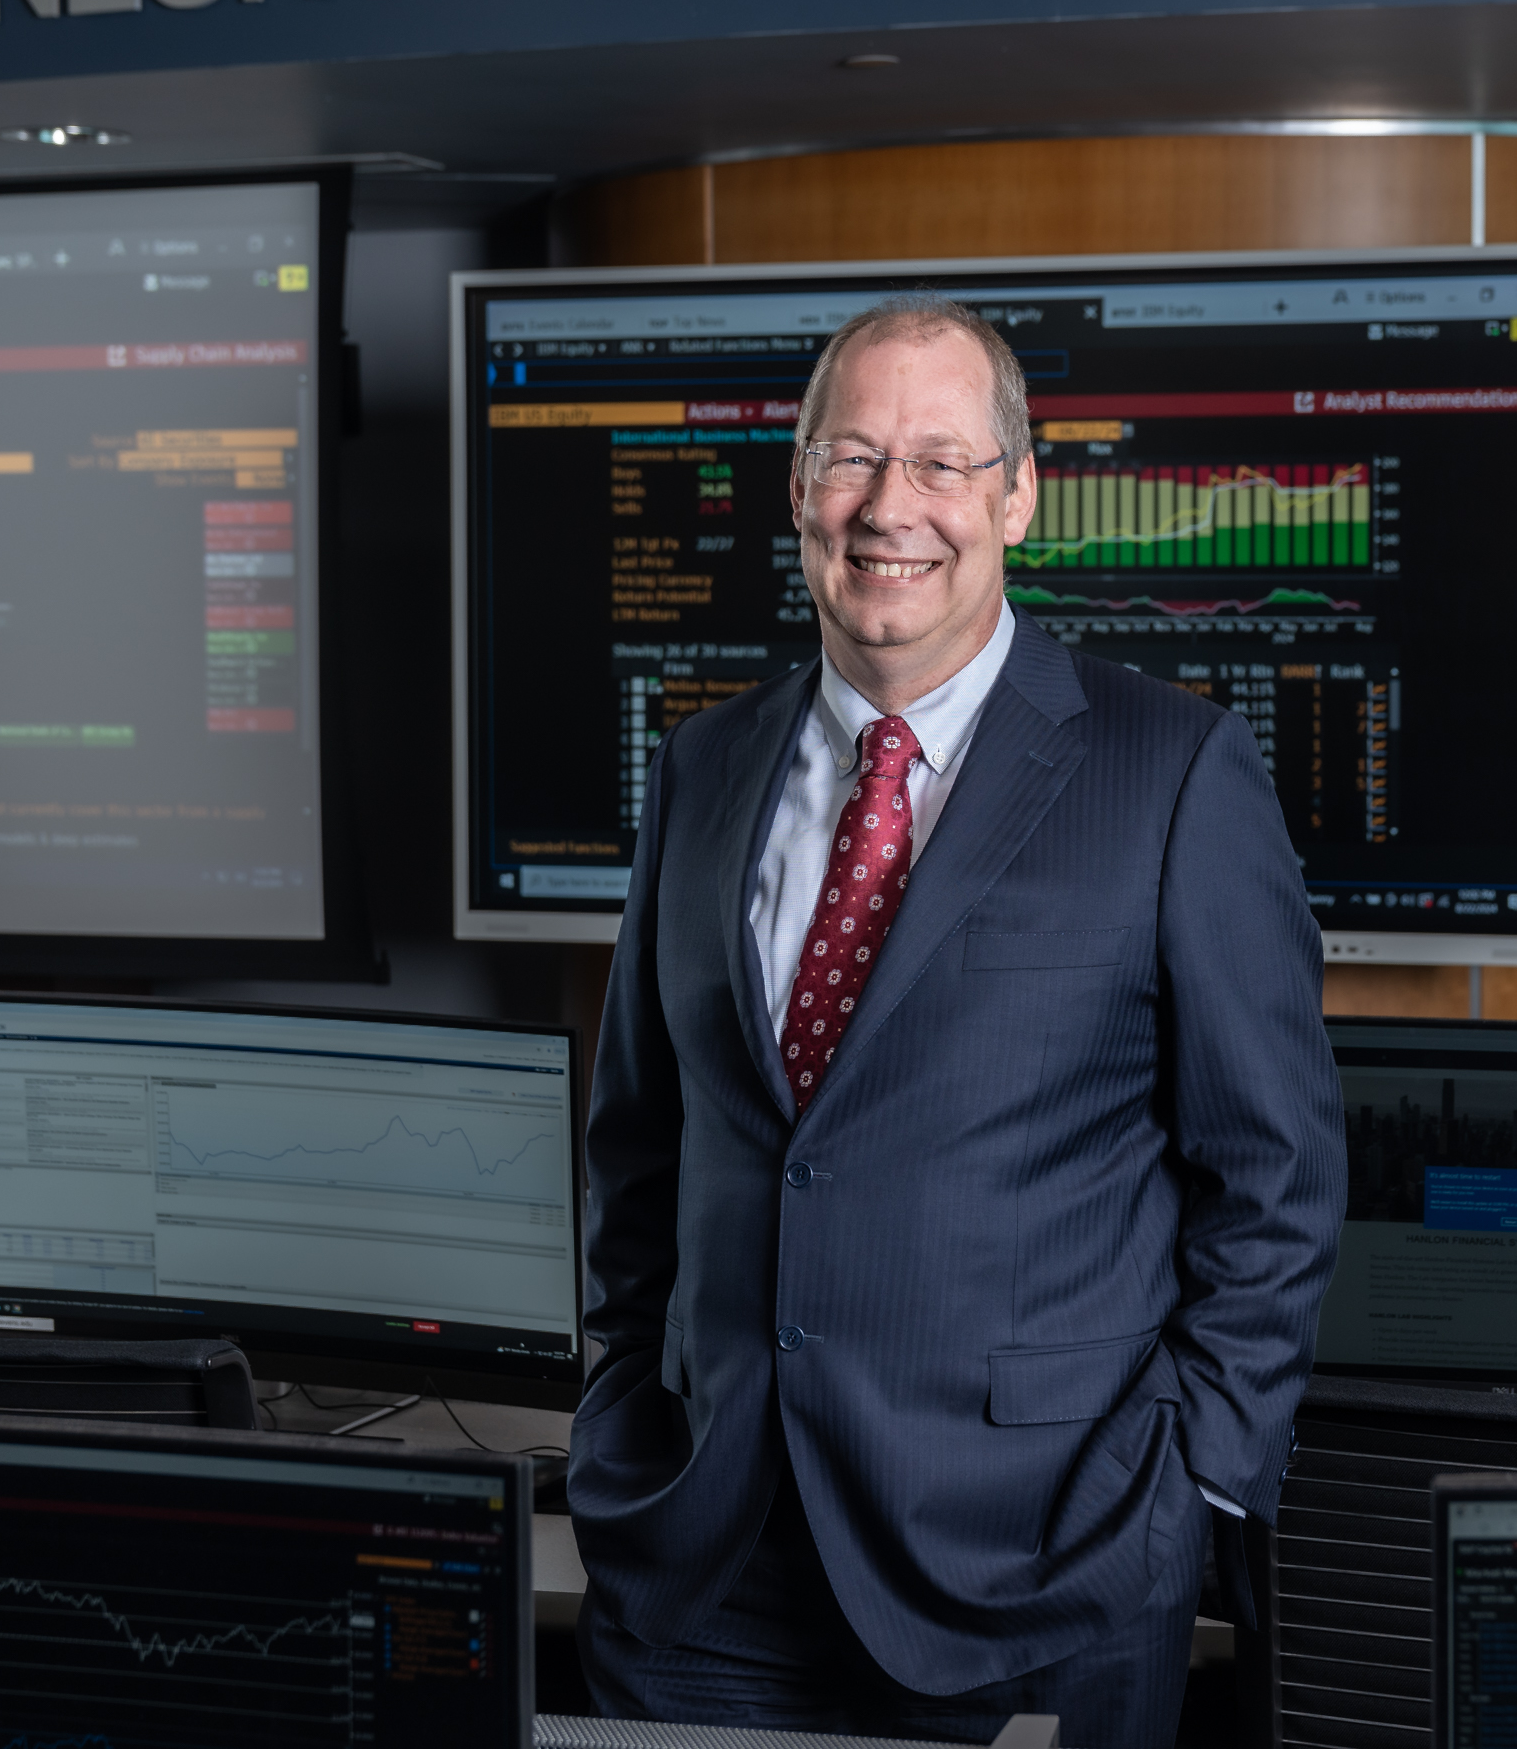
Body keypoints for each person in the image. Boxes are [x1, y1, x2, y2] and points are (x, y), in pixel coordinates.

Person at [571, 294, 1344, 1749]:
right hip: (704, 1566)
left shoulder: (1172, 771)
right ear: (798, 488)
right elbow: (639, 1154)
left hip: (1040, 1567)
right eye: (851, 457)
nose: (890, 507)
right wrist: (624, 1408)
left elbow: (1277, 1180)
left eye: (939, 462)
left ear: (1019, 493)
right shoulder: (700, 771)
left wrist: (1186, 1494)